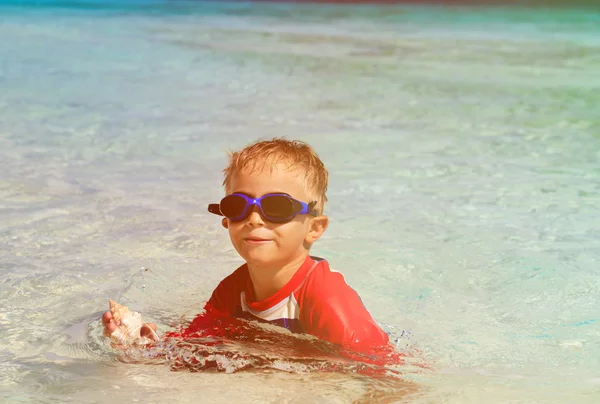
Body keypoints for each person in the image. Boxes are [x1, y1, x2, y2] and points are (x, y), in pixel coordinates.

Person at [103, 138, 393, 358]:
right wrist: (145, 343)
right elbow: (193, 348)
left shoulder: (324, 295)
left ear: (314, 228)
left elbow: (381, 370)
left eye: (277, 206)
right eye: (239, 206)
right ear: (226, 221)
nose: (254, 219)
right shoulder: (232, 290)